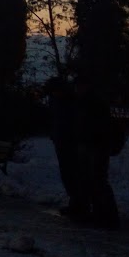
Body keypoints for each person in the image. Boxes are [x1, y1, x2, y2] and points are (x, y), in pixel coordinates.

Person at [72, 78, 120, 229]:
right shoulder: (82, 102)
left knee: (98, 180)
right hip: (87, 144)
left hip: (96, 146)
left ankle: (108, 216)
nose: (77, 89)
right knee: (90, 180)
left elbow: (101, 126)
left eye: (79, 86)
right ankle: (100, 213)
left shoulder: (95, 103)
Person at [46, 76, 82, 218]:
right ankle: (75, 203)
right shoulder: (56, 100)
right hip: (61, 140)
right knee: (67, 174)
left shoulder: (70, 101)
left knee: (74, 173)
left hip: (70, 142)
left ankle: (78, 204)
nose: (54, 93)